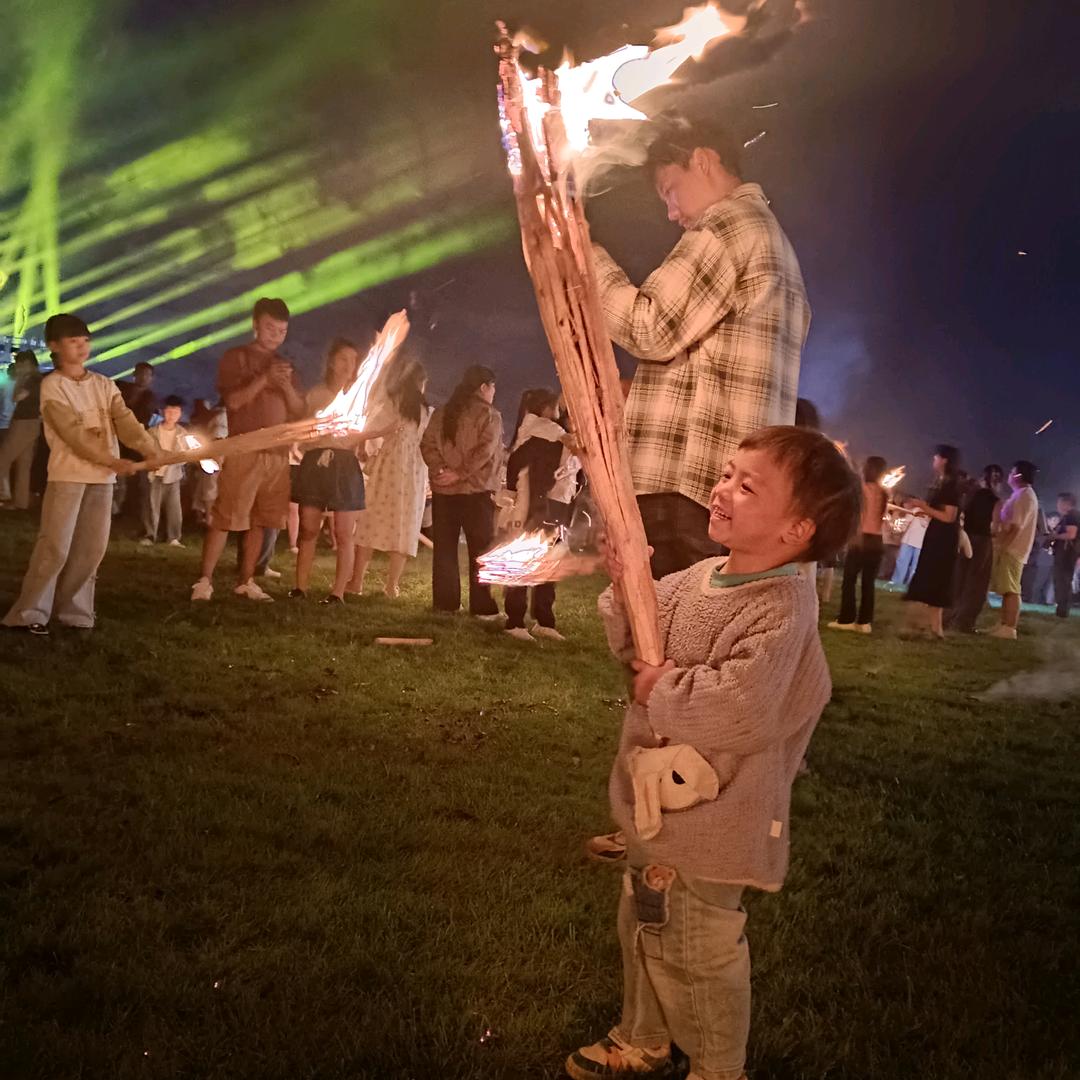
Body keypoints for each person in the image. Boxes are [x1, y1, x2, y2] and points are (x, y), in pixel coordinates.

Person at [567, 426, 860, 1080]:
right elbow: (637, 646)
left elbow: (743, 708)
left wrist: (661, 687)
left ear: (795, 531)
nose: (721, 488)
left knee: (700, 950)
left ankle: (720, 1069)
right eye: (727, 473)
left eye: (746, 485)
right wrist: (627, 586)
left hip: (716, 820)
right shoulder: (704, 576)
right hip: (658, 814)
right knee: (644, 928)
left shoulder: (782, 607)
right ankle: (643, 1041)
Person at [591, 118, 810, 579]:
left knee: (667, 640)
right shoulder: (772, 238)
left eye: (670, 189)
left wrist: (583, 258)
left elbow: (647, 326)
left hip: (686, 485)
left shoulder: (729, 225)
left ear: (703, 161)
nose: (671, 211)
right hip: (732, 487)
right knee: (703, 640)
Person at [2, 314, 160, 635]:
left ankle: (74, 612)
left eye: (85, 341)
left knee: (92, 548)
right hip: (68, 476)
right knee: (55, 546)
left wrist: (151, 448)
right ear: (54, 346)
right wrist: (111, 460)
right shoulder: (52, 387)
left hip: (102, 480)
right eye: (73, 342)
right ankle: (31, 611)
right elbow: (72, 433)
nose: (82, 347)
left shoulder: (104, 384)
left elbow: (126, 421)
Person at [191, 297, 304, 602]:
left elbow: (298, 410)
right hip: (246, 448)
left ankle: (246, 580)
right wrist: (264, 379)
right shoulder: (237, 357)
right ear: (255, 325)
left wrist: (285, 385)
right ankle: (204, 580)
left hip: (277, 455)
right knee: (226, 516)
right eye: (270, 328)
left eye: (281, 330)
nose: (275, 335)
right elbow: (234, 402)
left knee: (260, 520)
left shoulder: (285, 366)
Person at [290, 339, 377, 603]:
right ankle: (300, 587)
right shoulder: (316, 395)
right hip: (315, 461)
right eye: (343, 359)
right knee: (308, 527)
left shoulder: (360, 398)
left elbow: (364, 436)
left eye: (353, 361)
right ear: (331, 361)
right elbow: (302, 432)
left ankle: (337, 592)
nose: (348, 365)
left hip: (344, 464)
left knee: (343, 532)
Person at [420, 364, 503, 618]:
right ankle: (482, 607)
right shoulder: (490, 416)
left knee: (445, 549)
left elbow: (427, 445)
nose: (494, 393)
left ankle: (446, 605)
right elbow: (485, 452)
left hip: (445, 493)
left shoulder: (443, 413)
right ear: (483, 387)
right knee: (481, 551)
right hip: (476, 493)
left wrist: (441, 470)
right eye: (493, 387)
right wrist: (461, 473)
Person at [502, 388, 582, 642]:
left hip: (556, 503)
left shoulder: (547, 430)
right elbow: (570, 443)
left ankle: (544, 619)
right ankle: (515, 620)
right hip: (536, 504)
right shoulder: (540, 427)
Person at [348, 360, 432, 598]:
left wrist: (362, 443)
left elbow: (373, 428)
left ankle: (356, 582)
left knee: (372, 519)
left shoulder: (392, 403)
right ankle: (391, 586)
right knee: (405, 524)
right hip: (414, 468)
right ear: (420, 383)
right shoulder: (426, 411)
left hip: (391, 465)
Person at [903, 445, 961, 639]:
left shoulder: (951, 485)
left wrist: (923, 506)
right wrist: (924, 510)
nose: (934, 460)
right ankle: (933, 629)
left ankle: (922, 625)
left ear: (944, 460)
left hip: (943, 540)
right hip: (936, 535)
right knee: (931, 577)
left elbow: (949, 516)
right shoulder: (942, 482)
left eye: (936, 457)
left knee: (935, 577)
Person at [829, 455, 887, 633]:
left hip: (861, 539)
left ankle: (846, 618)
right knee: (868, 583)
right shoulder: (884, 492)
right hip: (877, 541)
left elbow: (859, 515)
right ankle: (864, 622)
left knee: (849, 580)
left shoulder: (861, 489)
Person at [946, 464, 1003, 632]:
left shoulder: (971, 494)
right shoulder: (996, 500)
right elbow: (995, 527)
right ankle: (964, 622)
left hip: (966, 538)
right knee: (977, 582)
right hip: (983, 541)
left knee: (958, 578)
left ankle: (947, 617)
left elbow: (962, 514)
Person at [987, 461, 1040, 640]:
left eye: (1012, 472)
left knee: (1011, 589)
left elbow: (1016, 526)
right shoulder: (1021, 494)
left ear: (1018, 475)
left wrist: (1003, 544)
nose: (1009, 475)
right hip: (1011, 547)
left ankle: (1010, 627)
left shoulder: (1025, 496)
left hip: (1014, 549)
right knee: (1006, 588)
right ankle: (1003, 624)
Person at [112, 360, 159, 519]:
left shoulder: (150, 397)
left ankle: (127, 510)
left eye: (147, 375)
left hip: (137, 439)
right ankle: (115, 508)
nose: (144, 378)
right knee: (116, 474)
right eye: (141, 374)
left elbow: (145, 418)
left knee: (135, 475)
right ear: (134, 375)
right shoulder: (121, 389)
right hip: (118, 438)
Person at [140, 395, 187, 547]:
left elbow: (186, 455)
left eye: (175, 411)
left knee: (174, 508)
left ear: (180, 414)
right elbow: (145, 449)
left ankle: (174, 537)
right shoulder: (152, 431)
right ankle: (150, 534)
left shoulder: (183, 433)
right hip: (155, 474)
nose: (172, 415)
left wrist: (174, 459)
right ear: (163, 412)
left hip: (173, 475)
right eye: (169, 411)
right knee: (151, 506)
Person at [0, 351, 44, 511]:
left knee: (3, 458)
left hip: (24, 423)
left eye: (19, 364)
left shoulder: (31, 379)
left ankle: (5, 497)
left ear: (27, 363)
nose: (17, 367)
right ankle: (21, 502)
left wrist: (18, 380)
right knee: (23, 464)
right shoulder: (38, 379)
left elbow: (17, 397)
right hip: (32, 423)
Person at [1049, 493, 1079, 619]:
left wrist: (1055, 536)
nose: (1058, 505)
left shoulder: (1072, 516)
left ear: (1067, 503)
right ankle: (1061, 610)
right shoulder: (1069, 516)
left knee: (1063, 581)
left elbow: (1071, 534)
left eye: (1060, 502)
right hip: (1066, 553)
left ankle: (1062, 611)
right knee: (1061, 581)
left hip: (1067, 554)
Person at [889, 504, 928, 588]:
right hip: (908, 540)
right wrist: (898, 530)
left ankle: (911, 585)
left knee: (915, 566)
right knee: (901, 561)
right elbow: (906, 522)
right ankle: (896, 582)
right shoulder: (917, 509)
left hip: (922, 544)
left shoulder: (933, 514)